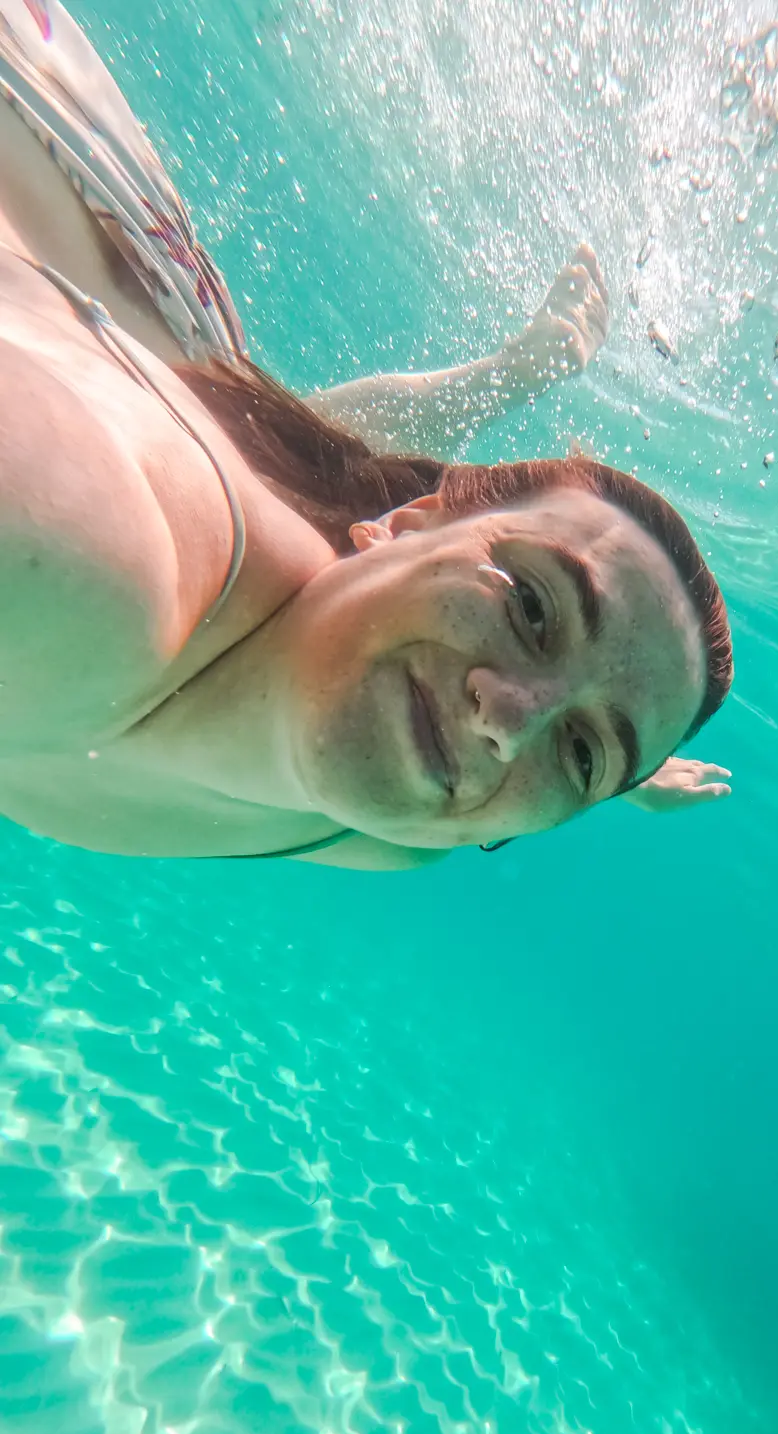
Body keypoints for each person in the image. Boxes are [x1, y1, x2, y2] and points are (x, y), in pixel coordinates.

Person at [0, 0, 732, 870]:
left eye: (581, 753)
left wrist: (619, 748)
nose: (507, 726)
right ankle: (512, 371)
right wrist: (595, 735)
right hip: (79, 220)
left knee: (287, 444)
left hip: (200, 401)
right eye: (532, 606)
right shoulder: (104, 564)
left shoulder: (389, 830)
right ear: (404, 523)